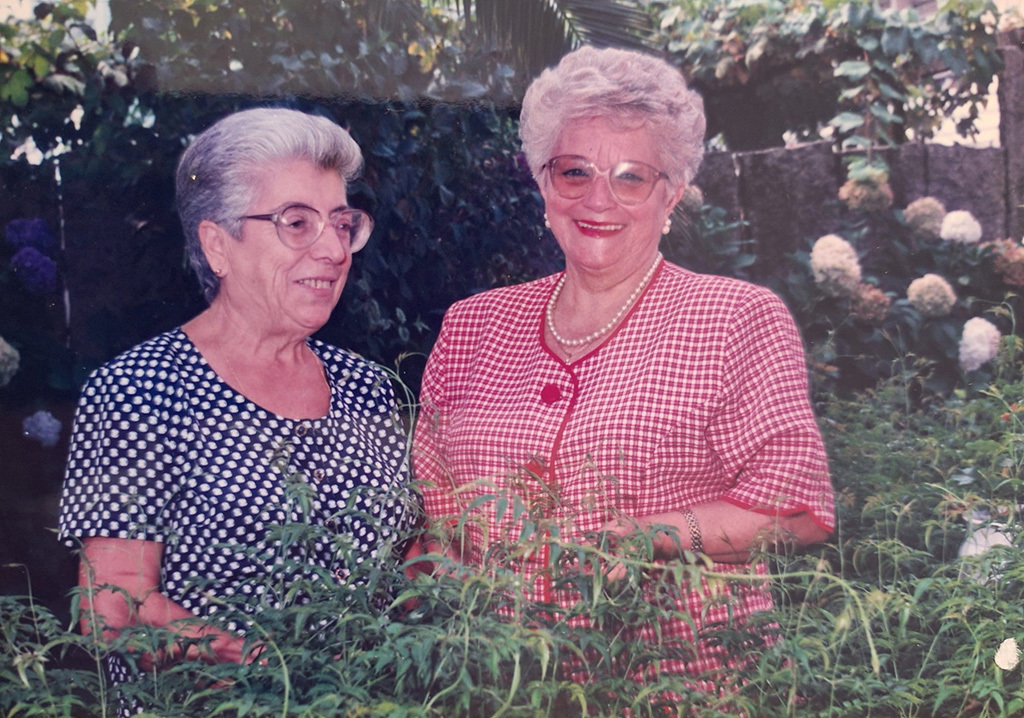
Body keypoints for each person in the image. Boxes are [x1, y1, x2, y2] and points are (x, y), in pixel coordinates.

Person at [413, 46, 834, 689]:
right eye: (574, 171)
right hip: (499, 687)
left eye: (631, 176)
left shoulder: (735, 318)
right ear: (543, 183)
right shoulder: (473, 325)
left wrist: (659, 535)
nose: (598, 198)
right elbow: (435, 512)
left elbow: (799, 508)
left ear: (672, 195)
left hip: (680, 685)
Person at [58, 108, 414, 694]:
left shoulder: (367, 388)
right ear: (218, 245)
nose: (334, 249)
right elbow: (115, 608)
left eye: (341, 222)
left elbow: (406, 561)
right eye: (297, 222)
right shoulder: (141, 391)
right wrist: (277, 682)